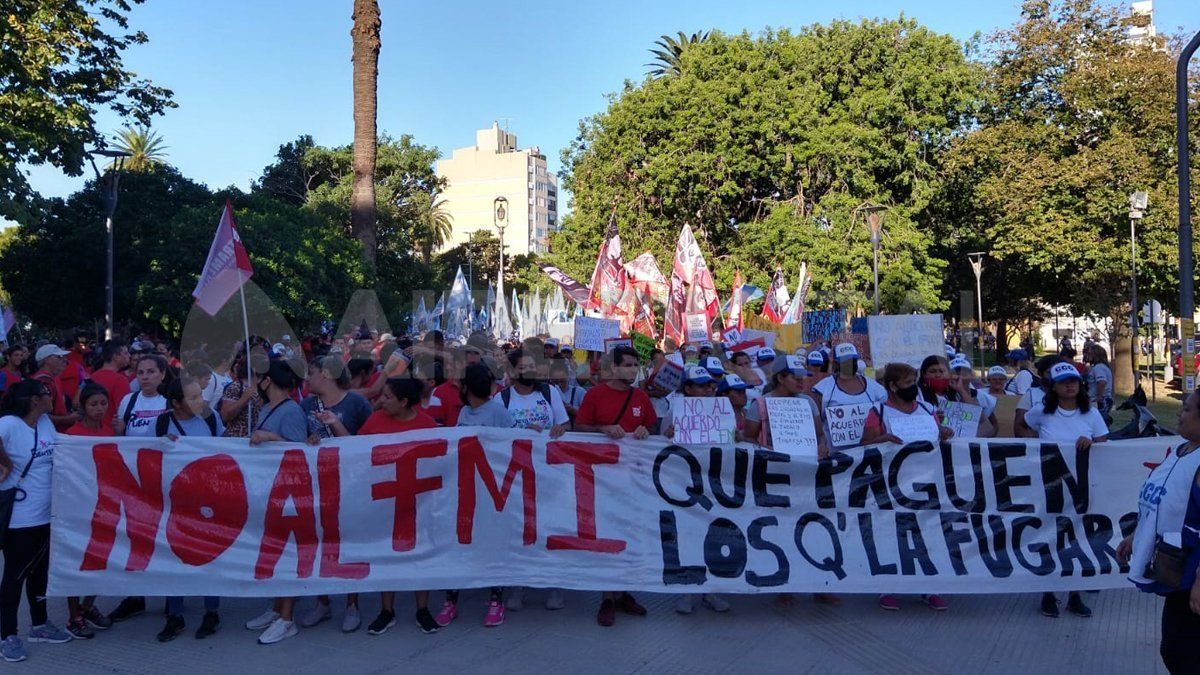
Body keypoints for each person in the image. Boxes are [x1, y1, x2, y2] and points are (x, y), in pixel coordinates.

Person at [350, 377, 442, 635]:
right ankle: (386, 610)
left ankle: (422, 609)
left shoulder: (426, 425)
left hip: (419, 501)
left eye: (388, 397)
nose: (381, 401)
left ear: (404, 402)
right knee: (384, 552)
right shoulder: (375, 421)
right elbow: (354, 451)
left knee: (420, 553)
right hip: (384, 500)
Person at [1117, 390, 1200, 674]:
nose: (1180, 413)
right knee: (1175, 648)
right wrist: (1137, 536)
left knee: (1182, 652)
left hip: (1193, 572)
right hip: (1177, 568)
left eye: (1187, 409)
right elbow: (1164, 502)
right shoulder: (1183, 450)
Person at [861, 362, 951, 612]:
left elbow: (936, 435)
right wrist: (883, 439)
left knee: (928, 533)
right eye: (908, 383)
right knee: (891, 533)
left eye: (914, 382)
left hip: (925, 482)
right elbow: (864, 445)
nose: (914, 387)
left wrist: (943, 431)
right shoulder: (878, 412)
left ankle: (929, 587)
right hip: (890, 484)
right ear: (892, 386)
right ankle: (888, 587)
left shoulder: (926, 409)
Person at [573, 345, 653, 627]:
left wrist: (645, 431)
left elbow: (651, 428)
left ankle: (623, 593)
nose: (633, 369)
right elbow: (580, 428)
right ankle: (607, 597)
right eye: (628, 365)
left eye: (635, 365)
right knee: (608, 536)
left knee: (630, 534)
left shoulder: (641, 397)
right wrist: (602, 429)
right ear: (614, 367)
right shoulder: (595, 395)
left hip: (633, 478)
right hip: (602, 479)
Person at [294, 356, 375, 633]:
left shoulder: (356, 403)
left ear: (326, 374)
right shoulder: (305, 405)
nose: (307, 378)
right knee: (318, 541)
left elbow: (369, 444)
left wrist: (336, 428)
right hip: (317, 483)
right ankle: (323, 601)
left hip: (350, 484)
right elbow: (297, 442)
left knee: (348, 542)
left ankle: (352, 603)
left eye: (312, 373)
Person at [1024, 362, 1108, 619]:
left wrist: (1091, 442)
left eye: (1074, 381)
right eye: (1064, 382)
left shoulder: (1091, 414)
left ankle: (1074, 594)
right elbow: (1023, 427)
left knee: (1078, 538)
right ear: (1054, 387)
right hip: (1050, 486)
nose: (1070, 385)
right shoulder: (1041, 412)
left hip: (1082, 486)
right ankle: (1049, 593)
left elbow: (1104, 441)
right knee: (1052, 537)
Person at [0, 380, 72, 662]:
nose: (51, 396)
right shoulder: (8, 423)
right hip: (20, 517)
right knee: (14, 576)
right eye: (47, 394)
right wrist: (5, 463)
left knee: (40, 573)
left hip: (47, 513)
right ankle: (7, 635)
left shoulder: (45, 424)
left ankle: (40, 625)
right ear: (33, 400)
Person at [437, 364, 514, 628]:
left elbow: (512, 446)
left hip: (491, 491)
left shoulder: (498, 412)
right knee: (459, 544)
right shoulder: (464, 414)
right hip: (465, 488)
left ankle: (496, 600)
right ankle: (451, 601)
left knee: (491, 542)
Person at [242, 360, 310, 645]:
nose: (255, 381)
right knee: (274, 551)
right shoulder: (267, 408)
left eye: (258, 377)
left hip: (289, 494)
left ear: (269, 381)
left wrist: (270, 437)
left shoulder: (292, 411)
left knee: (288, 553)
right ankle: (275, 608)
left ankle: (287, 617)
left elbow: (300, 453)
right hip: (269, 489)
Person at [154, 378, 223, 642]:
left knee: (210, 555)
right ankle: (175, 615)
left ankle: (212, 612)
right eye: (193, 398)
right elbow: (141, 454)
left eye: (200, 395)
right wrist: (161, 445)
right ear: (176, 403)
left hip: (209, 502)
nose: (201, 402)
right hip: (175, 504)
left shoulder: (210, 418)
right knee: (173, 557)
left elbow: (226, 451)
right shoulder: (160, 424)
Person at [665, 365, 731, 616]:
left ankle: (712, 591)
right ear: (688, 388)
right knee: (689, 534)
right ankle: (687, 590)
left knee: (715, 533)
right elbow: (661, 444)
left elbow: (731, 439)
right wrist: (669, 434)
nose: (707, 389)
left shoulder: (721, 409)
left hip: (715, 481)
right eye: (701, 385)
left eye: (709, 385)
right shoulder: (676, 410)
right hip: (686, 483)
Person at [59, 383, 112, 639]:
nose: (99, 409)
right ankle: (73, 615)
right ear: (83, 407)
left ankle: (87, 606)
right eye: (94, 404)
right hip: (77, 508)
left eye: (104, 403)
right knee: (75, 560)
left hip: (103, 506)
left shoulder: (111, 431)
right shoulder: (72, 434)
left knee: (101, 558)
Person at [812, 343, 887, 452]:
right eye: (846, 361)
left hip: (870, 453)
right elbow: (817, 423)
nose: (850, 364)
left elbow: (884, 415)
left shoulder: (874, 388)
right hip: (836, 457)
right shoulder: (823, 388)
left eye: (853, 360)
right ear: (836, 364)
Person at [500, 349, 568, 438]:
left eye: (532, 366)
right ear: (512, 371)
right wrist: (523, 433)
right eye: (522, 367)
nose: (529, 371)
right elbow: (497, 434)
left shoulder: (550, 391)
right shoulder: (501, 398)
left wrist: (561, 429)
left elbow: (565, 424)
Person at [113, 354, 172, 438]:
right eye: (140, 373)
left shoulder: (171, 400)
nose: (144, 377)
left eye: (151, 372)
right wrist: (119, 430)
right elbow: (120, 438)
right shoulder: (128, 400)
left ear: (162, 374)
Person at [1013, 355, 1063, 438]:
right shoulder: (1031, 395)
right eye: (1049, 373)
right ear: (1040, 374)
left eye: (1057, 372)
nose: (1054, 376)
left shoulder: (1071, 395)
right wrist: (1035, 445)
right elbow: (1019, 427)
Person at [30, 345, 77, 431]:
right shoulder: (43, 380)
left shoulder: (53, 378)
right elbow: (38, 415)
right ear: (46, 360)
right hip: (49, 434)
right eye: (59, 357)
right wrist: (69, 419)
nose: (65, 360)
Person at [219, 348, 259, 438]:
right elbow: (225, 416)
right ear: (254, 369)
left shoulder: (262, 387)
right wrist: (243, 399)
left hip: (256, 440)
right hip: (237, 441)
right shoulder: (236, 387)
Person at [89, 341, 132, 417]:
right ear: (115, 356)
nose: (129, 355)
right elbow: (124, 410)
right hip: (111, 426)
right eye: (125, 353)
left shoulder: (92, 377)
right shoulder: (120, 380)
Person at [1085, 345, 1113, 424]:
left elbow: (1102, 382)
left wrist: (1099, 397)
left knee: (1097, 424)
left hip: (1099, 401)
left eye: (1090, 353)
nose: (1088, 356)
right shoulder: (1102, 367)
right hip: (1101, 400)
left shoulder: (1099, 367)